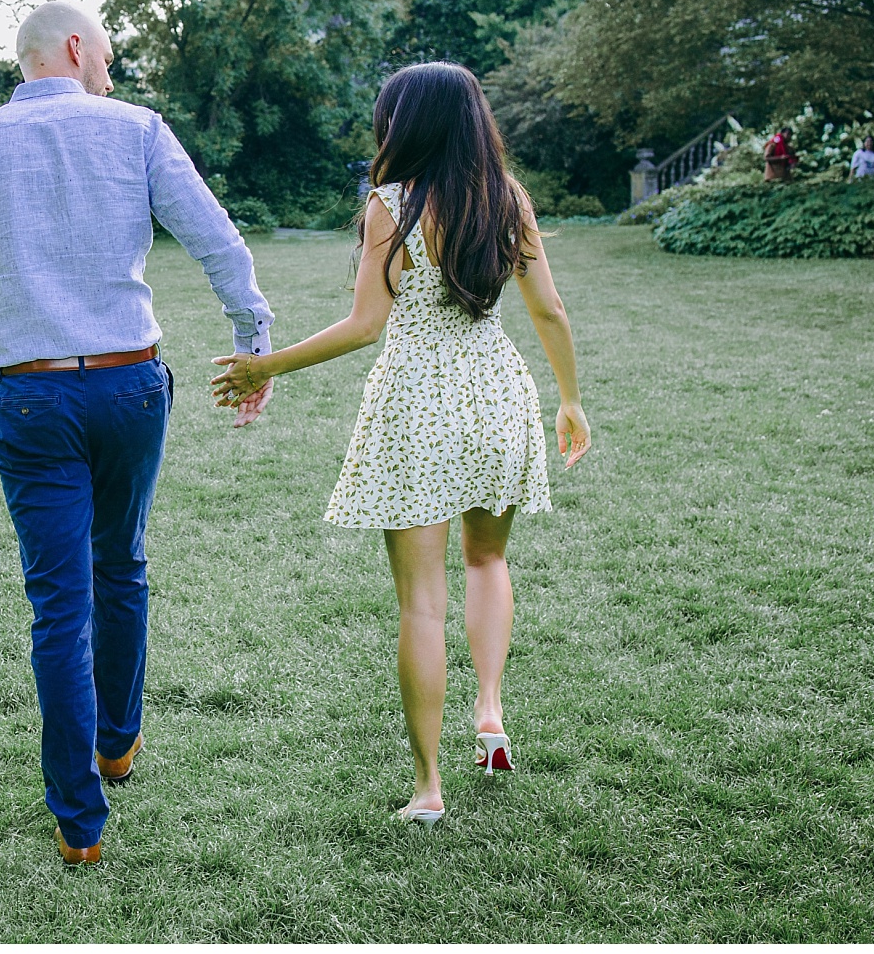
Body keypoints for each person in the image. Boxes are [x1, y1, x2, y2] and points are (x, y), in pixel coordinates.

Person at [0, 1, 276, 865]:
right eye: (107, 57)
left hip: (30, 399)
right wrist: (252, 337)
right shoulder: (139, 130)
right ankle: (116, 742)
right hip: (129, 386)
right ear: (74, 48)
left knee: (58, 604)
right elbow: (215, 237)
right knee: (122, 563)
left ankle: (80, 822)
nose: (110, 74)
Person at [210, 62, 591, 827]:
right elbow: (549, 310)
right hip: (497, 394)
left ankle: (428, 788)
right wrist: (571, 399)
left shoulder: (391, 206)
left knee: (421, 604)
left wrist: (266, 363)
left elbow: (364, 326)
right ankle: (489, 712)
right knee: (489, 559)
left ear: (404, 125)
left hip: (418, 402)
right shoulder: (508, 200)